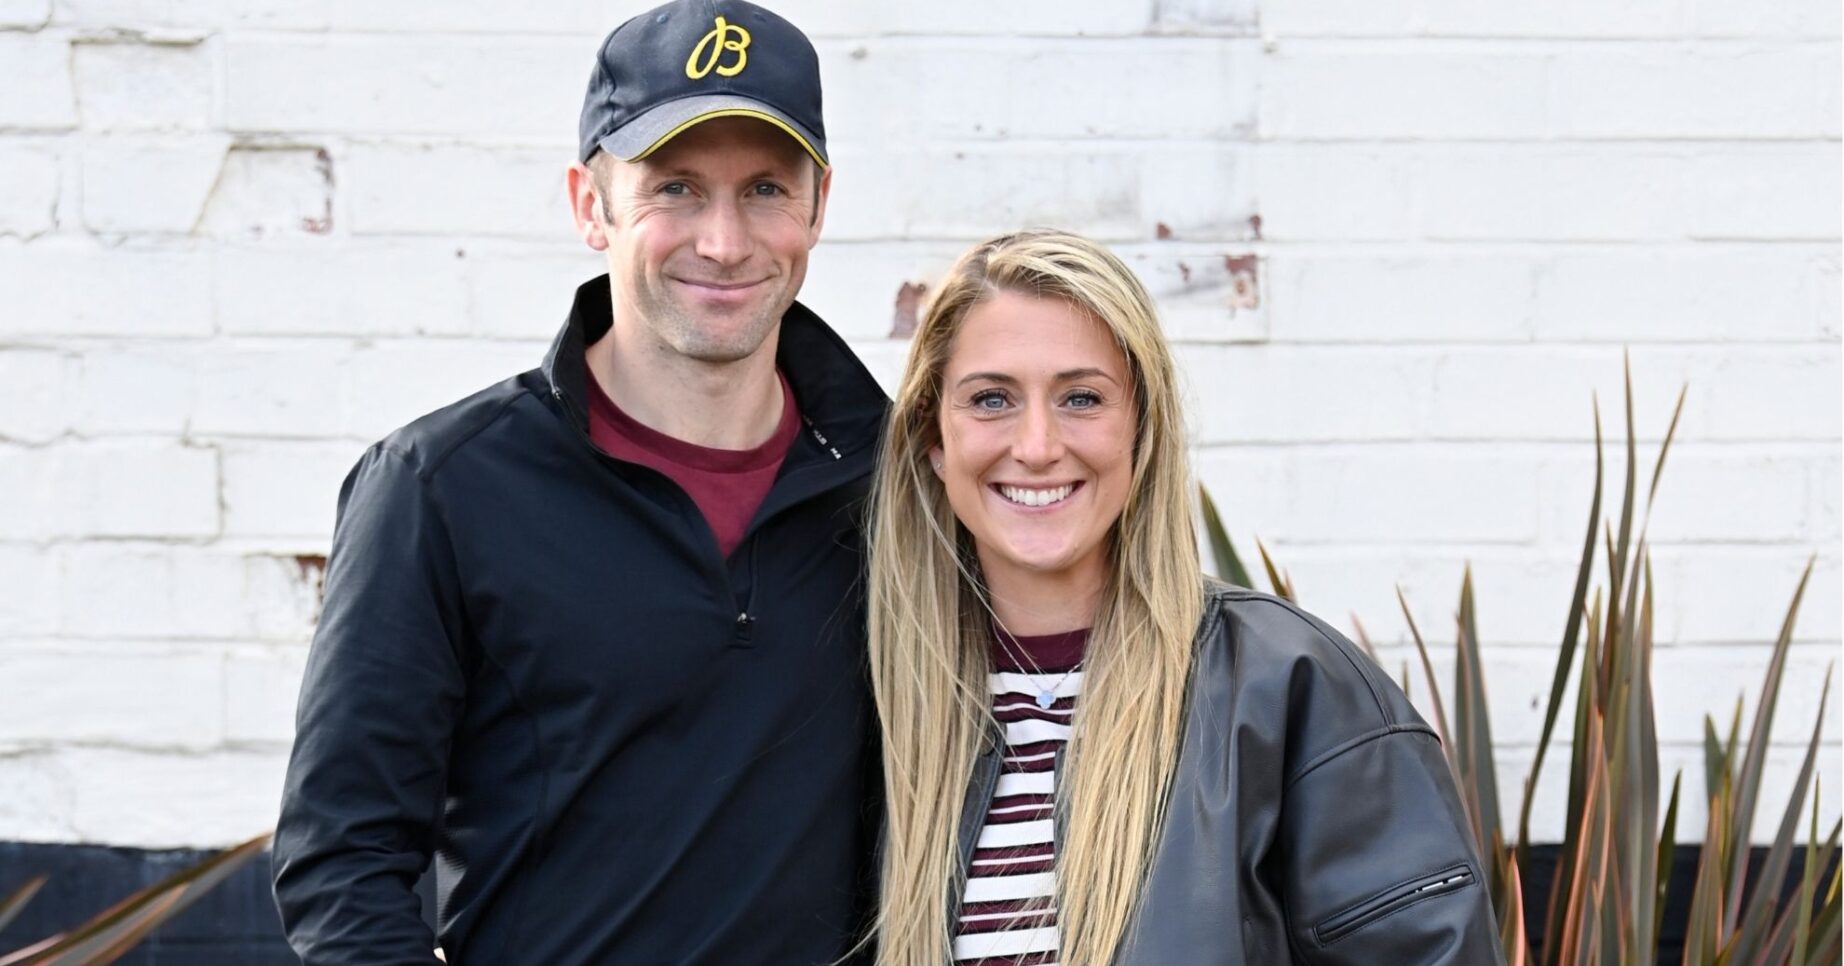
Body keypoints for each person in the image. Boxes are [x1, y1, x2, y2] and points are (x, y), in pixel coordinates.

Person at [271, 2, 886, 962]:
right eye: (675, 187)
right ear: (590, 205)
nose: (723, 241)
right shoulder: (440, 490)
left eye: (765, 188)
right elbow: (343, 864)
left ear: (818, 204)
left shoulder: (898, 485)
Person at [865, 230, 1503, 965]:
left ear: (1141, 427)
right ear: (933, 440)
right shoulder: (869, 702)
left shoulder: (1290, 693)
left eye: (1081, 398)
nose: (1037, 444)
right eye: (991, 399)